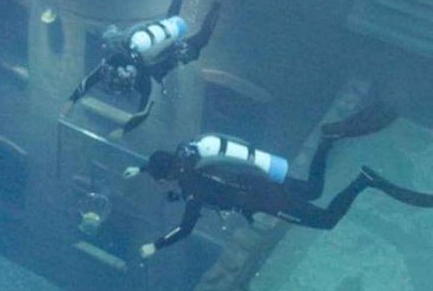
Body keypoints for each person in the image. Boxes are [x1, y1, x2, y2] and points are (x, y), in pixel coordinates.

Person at [127, 102, 433, 257]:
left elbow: (184, 229)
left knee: (326, 220)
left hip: (268, 199)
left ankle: (363, 180)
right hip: (263, 181)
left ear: (168, 175)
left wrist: (156, 245)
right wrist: (140, 168)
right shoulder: (189, 151)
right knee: (313, 189)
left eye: (162, 180)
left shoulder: (192, 189)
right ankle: (326, 141)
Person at [65, 0, 259, 137]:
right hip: (163, 42)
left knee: (201, 39)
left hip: (175, 53)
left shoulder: (140, 81)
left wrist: (123, 130)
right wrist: (72, 101)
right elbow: (89, 83)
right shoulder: (115, 61)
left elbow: (143, 112)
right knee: (174, 9)